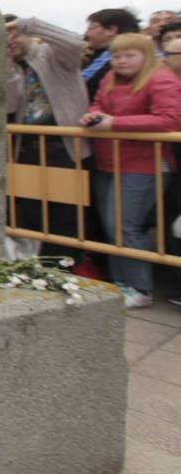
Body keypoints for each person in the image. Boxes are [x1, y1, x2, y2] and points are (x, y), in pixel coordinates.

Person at [80, 33, 181, 308]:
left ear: (146, 55)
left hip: (143, 165)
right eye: (116, 56)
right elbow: (99, 102)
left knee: (127, 226)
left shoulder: (161, 80)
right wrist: (93, 114)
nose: (121, 61)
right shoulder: (110, 78)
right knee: (113, 227)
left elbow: (171, 120)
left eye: (129, 55)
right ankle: (121, 282)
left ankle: (140, 287)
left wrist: (115, 123)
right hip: (108, 161)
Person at [4, 16, 92, 255]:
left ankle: (65, 266)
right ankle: (37, 266)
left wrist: (29, 24)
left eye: (14, 36)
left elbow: (74, 43)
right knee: (33, 214)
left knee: (64, 216)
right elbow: (10, 106)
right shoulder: (14, 65)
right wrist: (8, 66)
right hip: (29, 149)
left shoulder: (52, 56)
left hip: (64, 150)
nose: (10, 41)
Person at [82, 8, 139, 102]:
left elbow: (81, 85)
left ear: (111, 30)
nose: (86, 34)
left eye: (91, 28)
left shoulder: (110, 56)